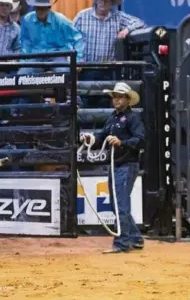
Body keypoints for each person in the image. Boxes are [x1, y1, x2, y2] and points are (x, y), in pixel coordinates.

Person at [80, 82, 145, 254]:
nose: (116, 99)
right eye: (114, 96)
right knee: (118, 205)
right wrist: (91, 138)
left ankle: (122, 243)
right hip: (116, 164)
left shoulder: (133, 118)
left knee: (119, 205)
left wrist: (121, 142)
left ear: (127, 99)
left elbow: (141, 139)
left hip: (126, 165)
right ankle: (135, 238)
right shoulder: (112, 118)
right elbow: (102, 135)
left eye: (120, 96)